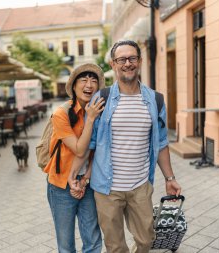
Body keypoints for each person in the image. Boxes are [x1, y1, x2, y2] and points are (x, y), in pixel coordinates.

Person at [88, 40, 182, 253]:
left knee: (147, 239)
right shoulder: (101, 99)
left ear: (140, 61)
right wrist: (84, 175)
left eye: (132, 58)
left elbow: (161, 143)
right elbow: (90, 144)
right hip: (106, 188)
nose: (127, 63)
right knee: (114, 245)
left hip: (140, 184)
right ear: (113, 64)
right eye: (122, 59)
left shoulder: (156, 99)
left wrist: (170, 178)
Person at [44, 63, 105, 253]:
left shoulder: (100, 111)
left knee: (93, 241)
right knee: (66, 245)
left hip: (87, 182)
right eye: (84, 80)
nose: (89, 85)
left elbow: (99, 151)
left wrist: (86, 177)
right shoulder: (61, 114)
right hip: (61, 185)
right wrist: (91, 118)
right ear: (73, 86)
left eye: (94, 80)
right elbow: (80, 150)